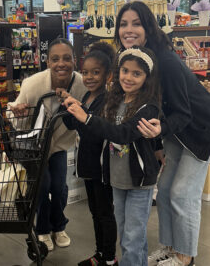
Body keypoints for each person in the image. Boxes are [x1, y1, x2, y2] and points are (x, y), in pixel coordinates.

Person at [114, 1, 210, 266]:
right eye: (123, 24)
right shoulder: (137, 59)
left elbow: (183, 112)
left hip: (200, 128)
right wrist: (159, 143)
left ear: (148, 26)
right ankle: (170, 247)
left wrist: (161, 131)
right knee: (163, 191)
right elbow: (155, 107)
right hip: (175, 129)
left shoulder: (167, 61)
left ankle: (185, 257)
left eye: (136, 23)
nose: (129, 30)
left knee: (183, 193)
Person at [64, 46, 162, 266]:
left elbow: (123, 134)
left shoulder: (148, 108)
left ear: (147, 77)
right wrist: (76, 111)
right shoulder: (115, 100)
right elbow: (102, 130)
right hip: (117, 180)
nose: (128, 77)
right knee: (130, 235)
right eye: (125, 71)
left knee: (131, 240)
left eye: (137, 73)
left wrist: (86, 118)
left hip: (139, 182)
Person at [8, 38, 87, 251]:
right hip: (34, 147)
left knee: (59, 188)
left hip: (60, 144)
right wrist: (20, 113)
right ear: (47, 62)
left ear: (74, 61)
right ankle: (42, 230)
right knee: (42, 187)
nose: (61, 63)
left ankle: (58, 226)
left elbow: (85, 114)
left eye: (66, 58)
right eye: (55, 59)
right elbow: (16, 121)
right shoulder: (32, 84)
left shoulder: (80, 84)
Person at [60, 42, 118, 266]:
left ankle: (110, 259)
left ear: (108, 75)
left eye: (96, 72)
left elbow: (94, 130)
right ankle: (100, 253)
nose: (89, 77)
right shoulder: (87, 97)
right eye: (85, 72)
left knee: (105, 213)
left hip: (102, 167)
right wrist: (67, 106)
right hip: (88, 165)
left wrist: (80, 113)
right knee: (95, 212)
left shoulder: (107, 100)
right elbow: (74, 125)